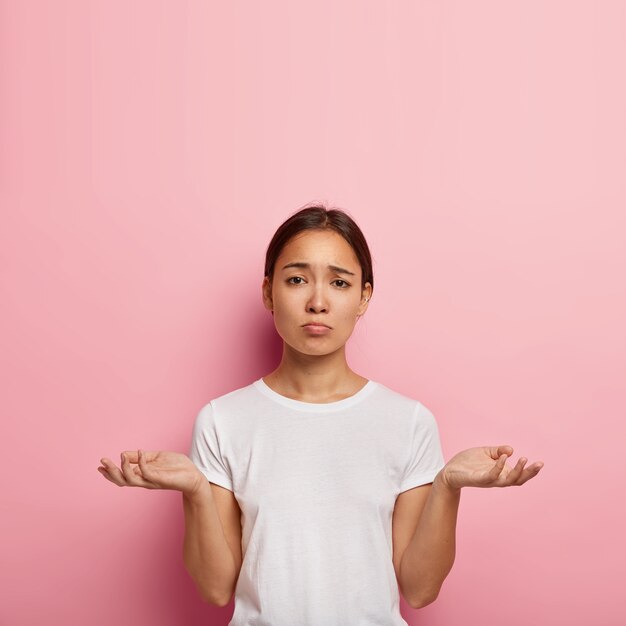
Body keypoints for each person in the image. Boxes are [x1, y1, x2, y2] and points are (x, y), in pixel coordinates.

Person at [98, 204, 543, 626]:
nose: (317, 302)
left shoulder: (408, 421)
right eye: (296, 280)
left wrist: (448, 485)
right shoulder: (222, 420)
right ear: (268, 292)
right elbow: (216, 590)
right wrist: (195, 489)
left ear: (364, 297)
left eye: (340, 282)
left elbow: (420, 589)